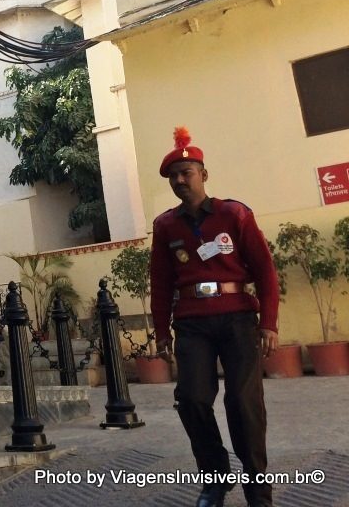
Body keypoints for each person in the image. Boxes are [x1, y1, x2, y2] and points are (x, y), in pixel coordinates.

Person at [150, 127, 279, 507]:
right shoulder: (165, 225)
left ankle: (258, 488)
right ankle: (215, 477)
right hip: (191, 322)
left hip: (238, 318)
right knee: (191, 399)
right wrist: (161, 333)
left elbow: (265, 271)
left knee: (243, 402)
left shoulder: (234, 213)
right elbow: (160, 282)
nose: (178, 180)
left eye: (186, 172)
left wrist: (268, 322)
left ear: (203, 175)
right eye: (173, 176)